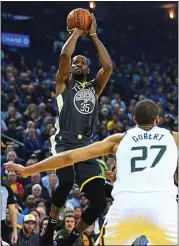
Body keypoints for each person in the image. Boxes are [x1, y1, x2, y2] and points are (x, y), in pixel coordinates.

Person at [6, 99, 178, 245]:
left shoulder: (119, 139)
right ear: (157, 119)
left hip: (127, 208)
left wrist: (28, 169)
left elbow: (70, 156)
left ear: (134, 119)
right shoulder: (173, 137)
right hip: (164, 207)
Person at [31, 13, 112, 246]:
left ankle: (71, 239)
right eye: (76, 63)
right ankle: (51, 226)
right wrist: (77, 30)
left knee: (98, 201)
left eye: (82, 62)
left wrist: (94, 34)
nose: (78, 64)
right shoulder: (63, 84)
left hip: (86, 145)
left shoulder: (94, 88)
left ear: (87, 68)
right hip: (64, 141)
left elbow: (107, 66)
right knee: (65, 182)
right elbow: (65, 54)